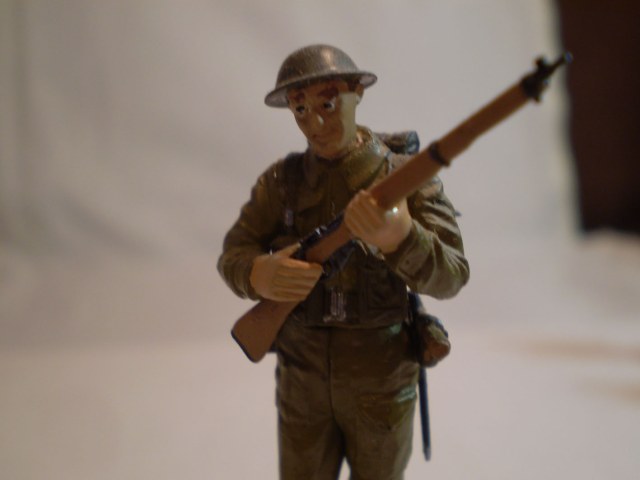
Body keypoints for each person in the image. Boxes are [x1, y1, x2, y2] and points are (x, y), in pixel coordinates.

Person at [217, 44, 469, 480]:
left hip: (381, 379)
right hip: (302, 382)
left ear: (357, 93)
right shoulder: (280, 183)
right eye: (300, 109)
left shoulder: (406, 178)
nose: (315, 123)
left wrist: (403, 238)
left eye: (328, 104)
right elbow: (234, 253)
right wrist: (259, 274)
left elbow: (452, 276)